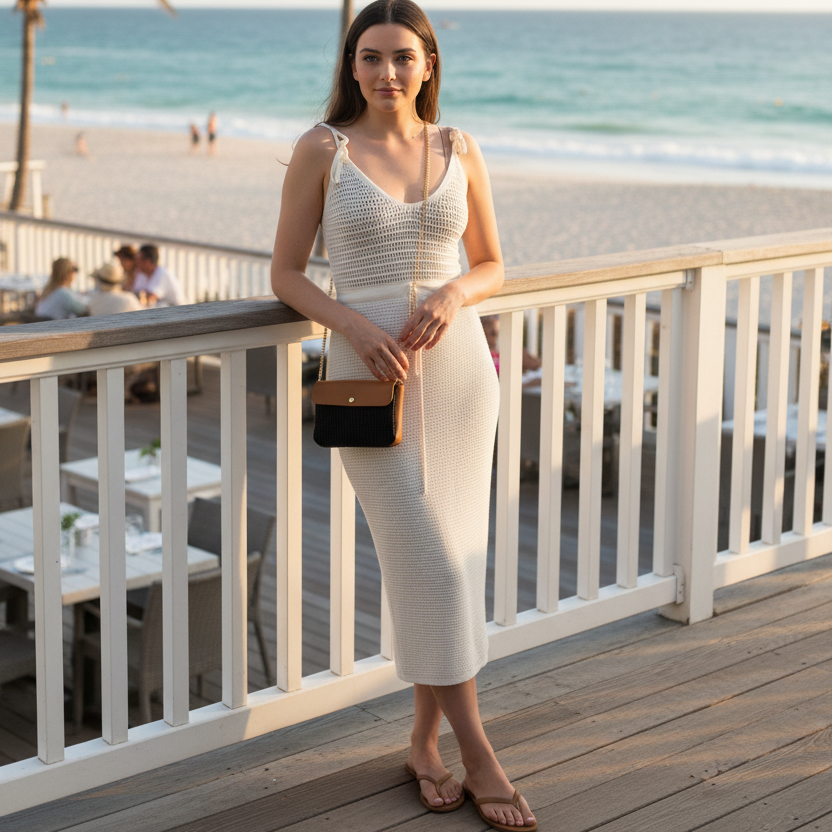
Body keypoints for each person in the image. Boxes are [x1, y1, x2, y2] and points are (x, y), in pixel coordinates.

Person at [270, 3, 536, 830]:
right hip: (365, 374)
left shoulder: (459, 147)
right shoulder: (324, 148)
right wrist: (349, 322)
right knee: (432, 562)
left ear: (429, 64)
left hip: (460, 375)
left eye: (404, 58)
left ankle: (424, 746)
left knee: (449, 563)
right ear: (351, 65)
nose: (388, 72)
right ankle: (482, 755)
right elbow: (285, 272)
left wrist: (456, 290)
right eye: (371, 57)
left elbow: (491, 261)